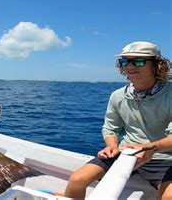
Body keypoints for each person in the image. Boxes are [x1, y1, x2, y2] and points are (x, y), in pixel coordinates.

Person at [64, 41, 172, 199]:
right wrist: (112, 146)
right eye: (124, 61)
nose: (129, 66)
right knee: (76, 180)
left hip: (164, 157)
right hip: (125, 153)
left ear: (157, 65)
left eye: (138, 61)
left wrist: (148, 148)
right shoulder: (117, 96)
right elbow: (110, 128)